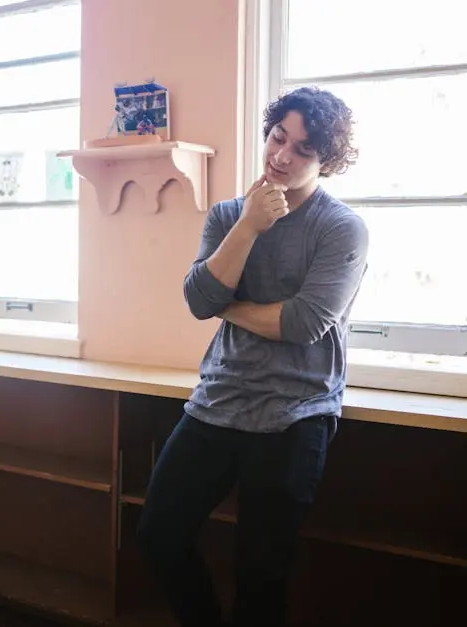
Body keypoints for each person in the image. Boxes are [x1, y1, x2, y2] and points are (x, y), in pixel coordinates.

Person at [136, 86, 368, 627]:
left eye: (303, 150)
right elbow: (199, 301)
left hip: (296, 414)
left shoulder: (341, 228)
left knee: (261, 574)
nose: (282, 156)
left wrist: (228, 306)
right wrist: (248, 225)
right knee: (158, 535)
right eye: (278, 137)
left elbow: (304, 324)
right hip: (217, 402)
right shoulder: (226, 216)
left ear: (326, 161)